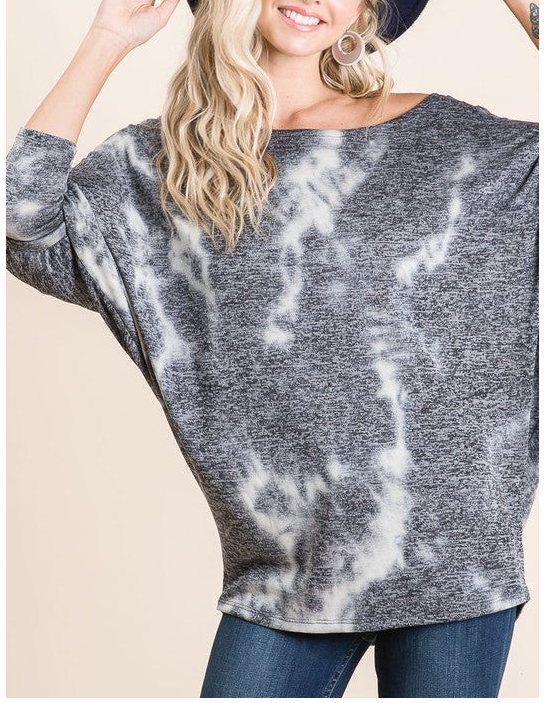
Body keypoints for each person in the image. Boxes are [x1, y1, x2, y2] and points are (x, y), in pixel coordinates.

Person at [5, 0, 539, 697]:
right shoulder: (160, 168)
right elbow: (22, 223)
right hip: (280, 570)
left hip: (451, 562)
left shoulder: (461, 144)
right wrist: (106, 39)